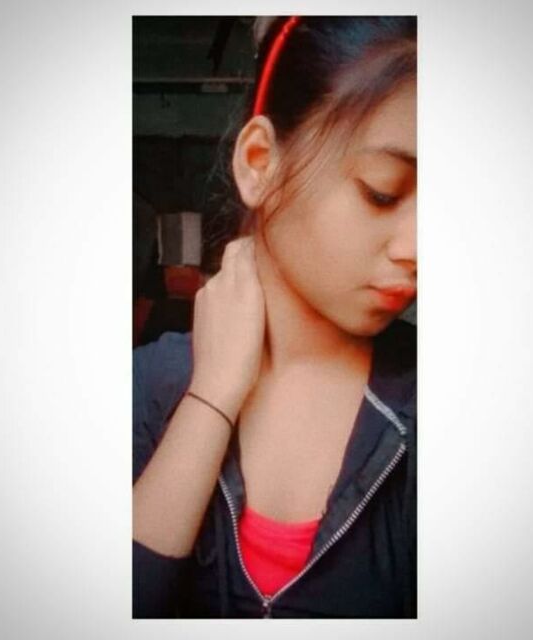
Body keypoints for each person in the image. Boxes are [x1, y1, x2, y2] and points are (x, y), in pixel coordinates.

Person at [132, 16, 417, 618]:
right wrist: (210, 398)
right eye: (383, 191)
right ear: (259, 162)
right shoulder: (146, 385)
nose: (419, 246)